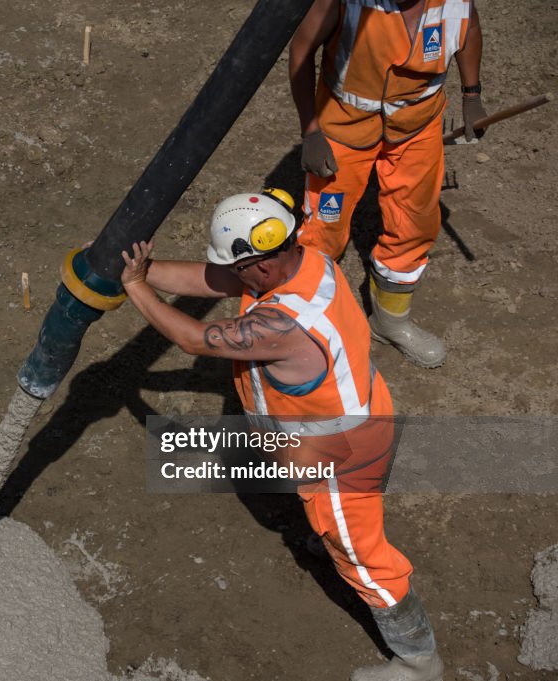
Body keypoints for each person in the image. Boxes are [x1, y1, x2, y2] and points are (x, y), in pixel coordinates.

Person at [120, 188, 443, 681]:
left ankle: (420, 662)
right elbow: (213, 279)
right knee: (336, 529)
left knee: (364, 558)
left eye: (241, 269)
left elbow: (194, 339)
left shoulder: (282, 321)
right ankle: (330, 538)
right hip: (350, 418)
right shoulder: (303, 259)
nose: (235, 279)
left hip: (340, 458)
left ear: (261, 267)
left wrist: (139, 292)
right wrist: (138, 271)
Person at [288, 0, 487, 368]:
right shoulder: (343, 3)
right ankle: (308, 327)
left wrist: (471, 95)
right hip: (343, 127)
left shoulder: (455, 2)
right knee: (323, 230)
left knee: (415, 222)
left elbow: (469, 30)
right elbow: (301, 50)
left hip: (417, 125)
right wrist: (311, 131)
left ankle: (389, 322)